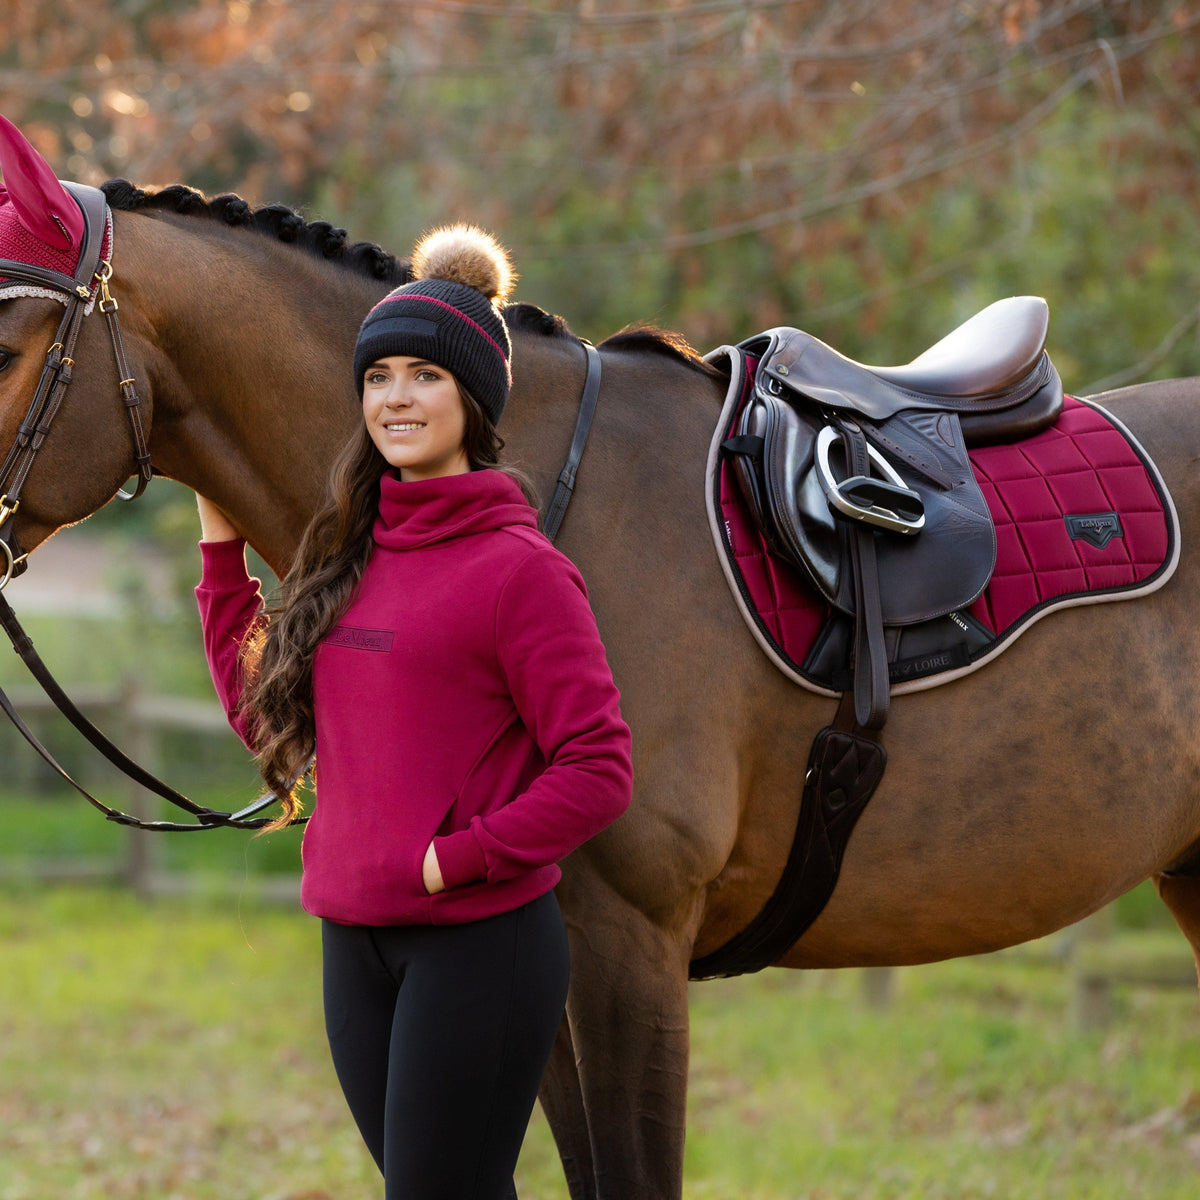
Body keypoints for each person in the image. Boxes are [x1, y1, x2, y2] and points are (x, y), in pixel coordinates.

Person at [193, 225, 633, 1199]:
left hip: (478, 945)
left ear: (473, 399)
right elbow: (269, 724)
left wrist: (457, 859)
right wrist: (221, 560)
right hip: (352, 942)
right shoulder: (350, 556)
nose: (396, 396)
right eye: (379, 376)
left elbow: (599, 767)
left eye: (425, 376)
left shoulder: (522, 572)